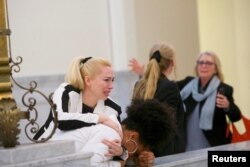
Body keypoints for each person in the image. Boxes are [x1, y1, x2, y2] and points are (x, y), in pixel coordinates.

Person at [129, 51, 242, 151]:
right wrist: (145, 74)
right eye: (200, 62)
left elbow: (236, 116)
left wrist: (227, 106)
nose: (203, 66)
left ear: (216, 68)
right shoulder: (188, 84)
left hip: (214, 145)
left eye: (208, 63)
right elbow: (164, 86)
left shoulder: (224, 89)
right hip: (189, 146)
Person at [131, 42, 185, 156]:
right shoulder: (170, 87)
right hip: (167, 154)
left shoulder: (139, 85)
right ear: (172, 62)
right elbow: (168, 126)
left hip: (143, 152)